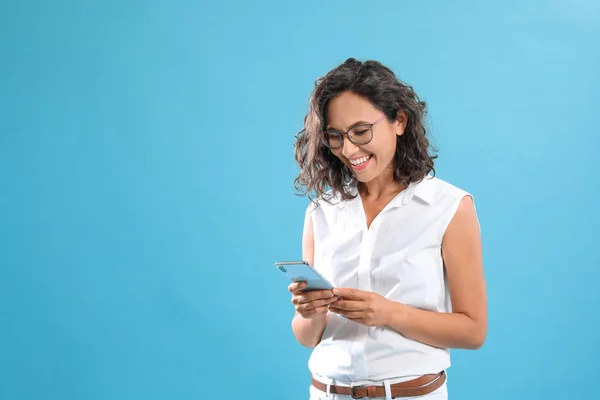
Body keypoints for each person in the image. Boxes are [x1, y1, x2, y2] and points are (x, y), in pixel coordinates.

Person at [289, 58, 487, 400]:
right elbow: (308, 337)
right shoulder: (321, 212)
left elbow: (473, 331)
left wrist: (388, 313)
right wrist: (310, 311)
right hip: (326, 393)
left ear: (399, 120)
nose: (348, 150)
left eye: (361, 131)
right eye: (335, 137)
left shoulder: (448, 207)